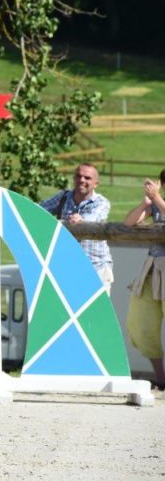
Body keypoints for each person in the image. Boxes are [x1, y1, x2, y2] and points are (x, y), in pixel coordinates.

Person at [122, 170, 165, 390]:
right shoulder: (157, 204)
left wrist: (157, 198)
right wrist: (146, 202)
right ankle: (161, 379)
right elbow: (129, 222)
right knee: (140, 324)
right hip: (152, 270)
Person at [39, 163, 113, 290]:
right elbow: (38, 211)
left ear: (96, 184)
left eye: (87, 178)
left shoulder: (101, 202)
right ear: (74, 179)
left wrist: (81, 220)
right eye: (78, 176)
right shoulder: (63, 197)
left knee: (95, 310)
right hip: (66, 268)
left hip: (95, 268)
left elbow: (92, 218)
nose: (82, 180)